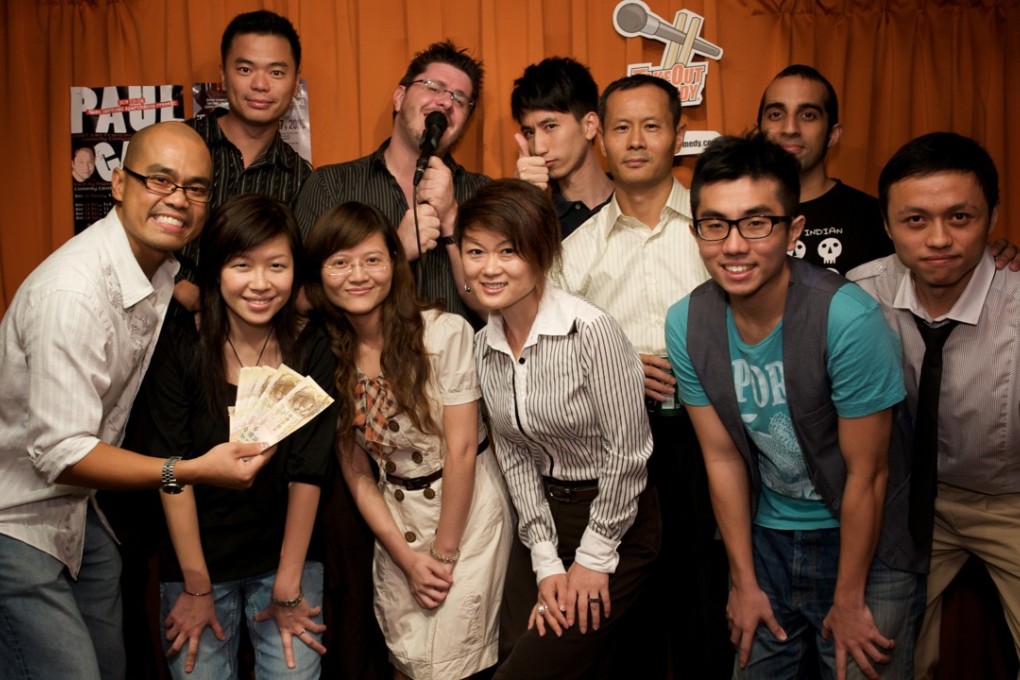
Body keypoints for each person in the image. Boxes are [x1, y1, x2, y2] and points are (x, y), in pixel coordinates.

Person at [0, 121, 272, 680]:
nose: (178, 199)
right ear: (120, 182)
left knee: (112, 664)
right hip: (16, 518)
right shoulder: (73, 294)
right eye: (160, 180)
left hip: (81, 512)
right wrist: (190, 470)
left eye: (196, 187)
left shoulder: (163, 271)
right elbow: (62, 453)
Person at [666, 133, 927, 679]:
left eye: (757, 222)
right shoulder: (688, 322)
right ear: (696, 234)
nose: (734, 245)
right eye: (715, 225)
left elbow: (869, 475)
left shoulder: (846, 318)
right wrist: (742, 580)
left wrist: (851, 599)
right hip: (766, 541)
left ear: (794, 230)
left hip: (866, 542)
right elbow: (723, 459)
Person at [551, 73, 729, 675]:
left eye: (651, 126)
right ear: (601, 140)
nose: (635, 141)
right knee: (630, 624)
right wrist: (620, 369)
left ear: (679, 136)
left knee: (712, 607)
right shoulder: (575, 251)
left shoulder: (716, 233)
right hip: (616, 452)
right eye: (621, 128)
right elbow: (550, 360)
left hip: (714, 443)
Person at [459, 179, 659, 679]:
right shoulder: (486, 345)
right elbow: (514, 456)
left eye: (508, 251)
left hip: (616, 521)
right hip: (543, 523)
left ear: (542, 253)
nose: (489, 267)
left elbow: (628, 454)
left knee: (532, 669)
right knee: (509, 654)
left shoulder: (590, 331)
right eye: (475, 251)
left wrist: (593, 557)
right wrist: (546, 559)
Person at [303, 201, 511, 679]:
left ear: (394, 264)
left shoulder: (444, 332)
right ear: (320, 275)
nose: (358, 274)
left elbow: (461, 452)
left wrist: (441, 555)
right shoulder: (326, 355)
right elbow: (356, 471)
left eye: (373, 259)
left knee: (456, 665)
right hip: (398, 525)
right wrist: (406, 557)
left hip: (468, 518)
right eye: (340, 262)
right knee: (408, 662)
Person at [847, 132, 1020, 679]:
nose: (939, 239)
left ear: (993, 217)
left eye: (960, 217)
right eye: (916, 220)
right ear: (887, 223)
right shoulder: (860, 294)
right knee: (870, 654)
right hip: (901, 502)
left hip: (1010, 502)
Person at [140, 194, 334, 679]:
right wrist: (197, 585)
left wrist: (288, 586)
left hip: (285, 556)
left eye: (277, 265)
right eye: (241, 265)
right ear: (216, 270)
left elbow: (308, 472)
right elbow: (171, 470)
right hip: (196, 561)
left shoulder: (310, 345)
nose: (261, 284)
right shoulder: (182, 343)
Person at [295, 40, 488, 323]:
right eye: (433, 86)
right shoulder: (330, 185)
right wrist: (394, 251)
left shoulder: (483, 193)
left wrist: (450, 221)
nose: (446, 102)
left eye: (459, 99)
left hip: (459, 364)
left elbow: (493, 309)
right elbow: (299, 298)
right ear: (399, 97)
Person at [174, 10, 312, 312]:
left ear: (295, 82)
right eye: (246, 69)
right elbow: (128, 233)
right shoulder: (177, 144)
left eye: (276, 72)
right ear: (223, 75)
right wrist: (170, 281)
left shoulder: (302, 177)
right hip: (164, 330)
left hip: (257, 346)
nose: (260, 85)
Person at [756, 65, 892, 274]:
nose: (790, 128)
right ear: (759, 132)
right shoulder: (735, 217)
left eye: (808, 115)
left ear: (833, 134)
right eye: (776, 114)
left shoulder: (875, 220)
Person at [510, 57, 613, 237]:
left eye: (550, 126)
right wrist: (520, 201)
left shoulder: (637, 202)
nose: (539, 147)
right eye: (529, 132)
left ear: (589, 126)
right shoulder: (537, 217)